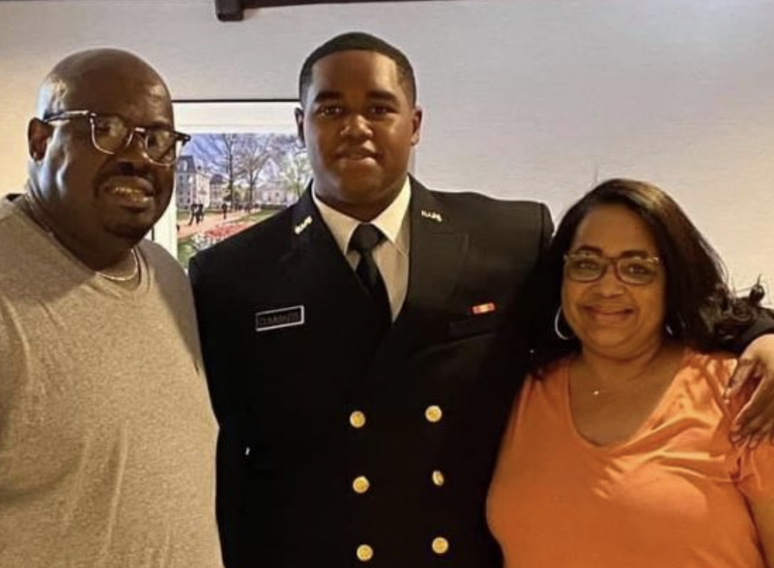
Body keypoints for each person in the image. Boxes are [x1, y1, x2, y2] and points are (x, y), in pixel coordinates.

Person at [190, 32, 774, 568]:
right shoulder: (232, 272)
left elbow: (630, 297)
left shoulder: (506, 236)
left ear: (414, 124)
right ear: (300, 124)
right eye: (331, 109)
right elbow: (231, 455)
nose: (356, 126)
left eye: (379, 107)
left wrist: (763, 336)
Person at [0, 49, 222, 568]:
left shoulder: (167, 276)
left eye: (157, 139)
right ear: (40, 140)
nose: (139, 156)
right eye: (106, 128)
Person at [487, 178, 774, 567]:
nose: (608, 287)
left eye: (637, 269)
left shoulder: (743, 394)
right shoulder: (517, 393)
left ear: (673, 282)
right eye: (587, 264)